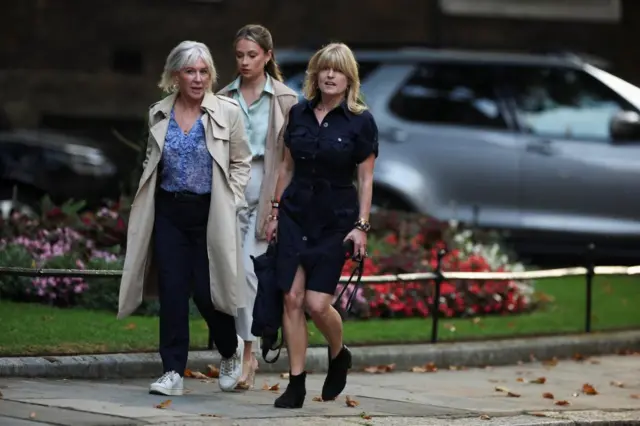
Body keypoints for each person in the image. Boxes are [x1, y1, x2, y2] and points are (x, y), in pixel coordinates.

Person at [117, 40, 252, 396]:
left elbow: (242, 161)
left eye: (204, 71)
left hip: (210, 213)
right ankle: (172, 371)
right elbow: (152, 162)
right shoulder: (158, 112)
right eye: (190, 71)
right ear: (175, 74)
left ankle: (229, 349)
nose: (198, 78)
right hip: (169, 212)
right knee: (173, 292)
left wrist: (233, 198)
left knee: (208, 295)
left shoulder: (228, 112)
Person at [265, 42, 378, 408]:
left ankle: (338, 353)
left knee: (316, 303)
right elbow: (286, 167)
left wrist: (361, 226)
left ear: (349, 78)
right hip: (296, 213)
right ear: (315, 74)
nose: (329, 75)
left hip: (335, 220)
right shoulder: (297, 113)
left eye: (337, 70)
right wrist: (274, 211)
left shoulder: (361, 121)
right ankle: (295, 383)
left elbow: (366, 178)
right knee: (291, 297)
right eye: (324, 69)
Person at [217, 24, 298, 389]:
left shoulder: (285, 99)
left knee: (252, 273)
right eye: (239, 55)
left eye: (252, 55)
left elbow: (288, 161)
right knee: (229, 276)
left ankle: (248, 355)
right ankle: (237, 351)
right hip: (230, 188)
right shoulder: (222, 97)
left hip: (267, 188)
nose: (245, 62)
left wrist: (279, 206)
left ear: (268, 55)